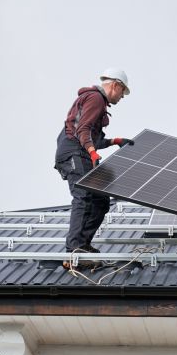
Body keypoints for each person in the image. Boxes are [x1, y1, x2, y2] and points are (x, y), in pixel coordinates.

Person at [54, 68, 134, 266]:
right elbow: (82, 130)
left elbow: (92, 137)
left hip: (80, 151)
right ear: (115, 85)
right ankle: (74, 251)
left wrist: (115, 141)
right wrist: (91, 152)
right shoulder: (96, 98)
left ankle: (84, 244)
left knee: (100, 200)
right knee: (82, 196)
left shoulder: (98, 102)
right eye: (122, 92)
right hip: (73, 152)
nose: (122, 97)